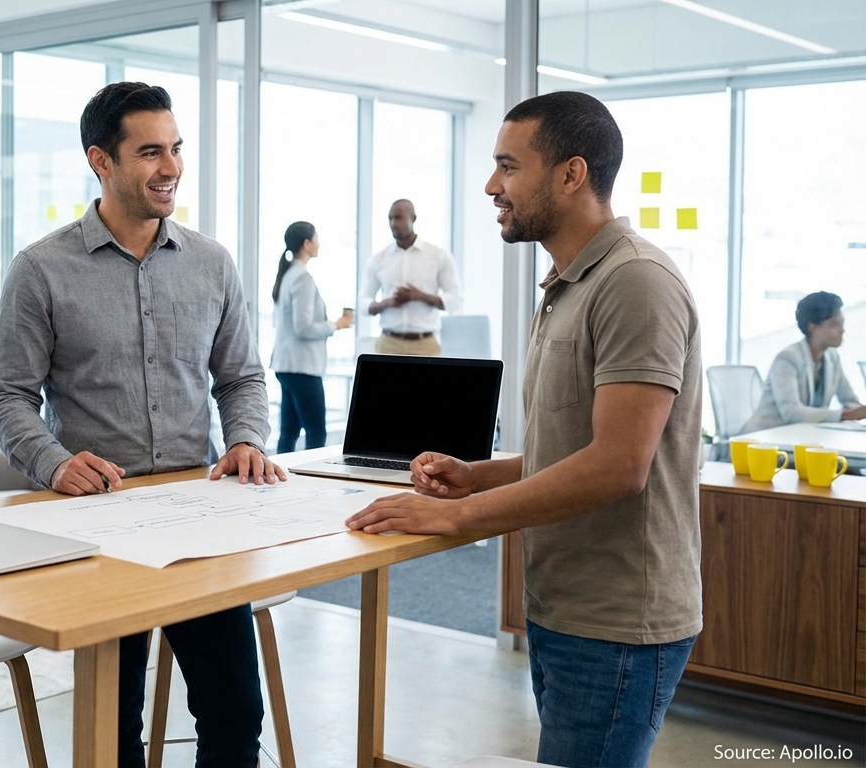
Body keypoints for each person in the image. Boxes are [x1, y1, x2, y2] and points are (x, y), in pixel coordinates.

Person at [347, 91, 702, 768]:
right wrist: (476, 476)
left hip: (616, 619)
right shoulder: (568, 283)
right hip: (564, 605)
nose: (492, 186)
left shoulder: (635, 282)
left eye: (508, 167)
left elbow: (619, 465)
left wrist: (457, 516)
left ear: (571, 174)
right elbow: (570, 448)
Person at [0, 81, 280, 767]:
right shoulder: (40, 269)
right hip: (98, 526)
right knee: (111, 727)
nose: (170, 166)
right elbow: (7, 395)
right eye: (150, 152)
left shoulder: (212, 263)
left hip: (200, 522)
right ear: (101, 161)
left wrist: (245, 438)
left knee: (235, 713)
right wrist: (56, 462)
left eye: (175, 148)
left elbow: (241, 377)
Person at [270, 221, 353, 453]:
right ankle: (314, 475)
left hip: (287, 365)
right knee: (316, 433)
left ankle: (281, 473)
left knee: (289, 432)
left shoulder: (288, 275)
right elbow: (304, 328)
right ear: (306, 243)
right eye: (316, 238)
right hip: (302, 368)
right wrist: (337, 325)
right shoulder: (302, 278)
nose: (319, 243)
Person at [742, 291, 865, 431]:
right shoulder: (787, 358)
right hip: (764, 437)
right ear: (812, 327)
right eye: (834, 325)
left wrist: (859, 412)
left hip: (802, 436)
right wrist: (845, 415)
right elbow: (792, 413)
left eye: (842, 323)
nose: (842, 330)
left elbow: (850, 401)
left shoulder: (832, 357)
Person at [359, 198, 461, 355]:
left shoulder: (438, 256)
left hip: (424, 345)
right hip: (388, 344)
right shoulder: (378, 259)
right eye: (390, 218)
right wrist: (387, 303)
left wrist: (419, 296)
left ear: (413, 218)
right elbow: (363, 303)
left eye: (398, 217)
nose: (393, 224)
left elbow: (455, 299)